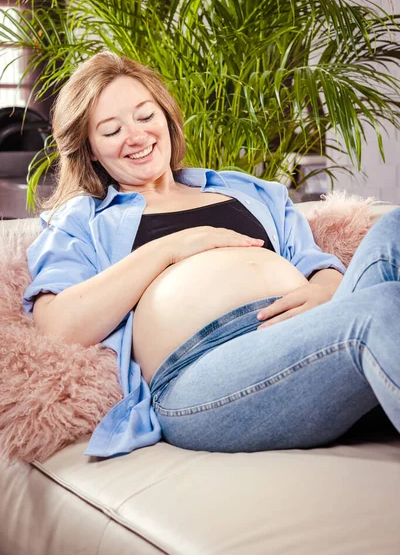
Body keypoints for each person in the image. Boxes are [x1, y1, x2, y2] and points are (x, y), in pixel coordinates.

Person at [23, 51, 400, 458]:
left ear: (166, 118)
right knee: (380, 308)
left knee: (393, 228)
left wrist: (329, 289)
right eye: (112, 130)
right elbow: (57, 325)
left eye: (145, 116)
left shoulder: (246, 190)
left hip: (305, 330)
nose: (136, 136)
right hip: (200, 374)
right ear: (91, 149)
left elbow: (313, 262)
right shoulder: (81, 219)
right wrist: (167, 249)